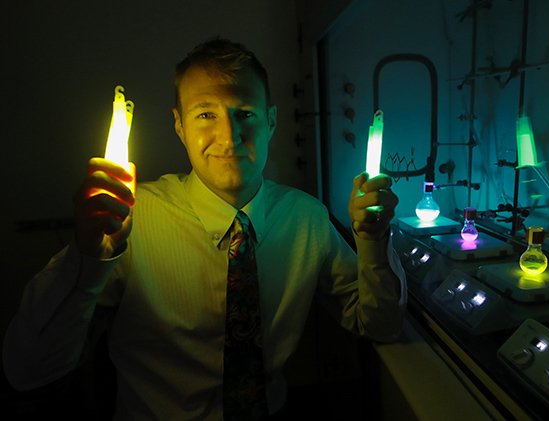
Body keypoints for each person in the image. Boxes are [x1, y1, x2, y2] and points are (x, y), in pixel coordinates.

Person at [3, 37, 406, 420]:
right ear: (179, 126)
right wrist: (89, 258)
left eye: (244, 113)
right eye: (205, 114)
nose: (229, 136)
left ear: (271, 121)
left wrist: (373, 240)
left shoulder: (306, 219)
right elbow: (28, 369)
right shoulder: (129, 221)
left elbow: (379, 325)